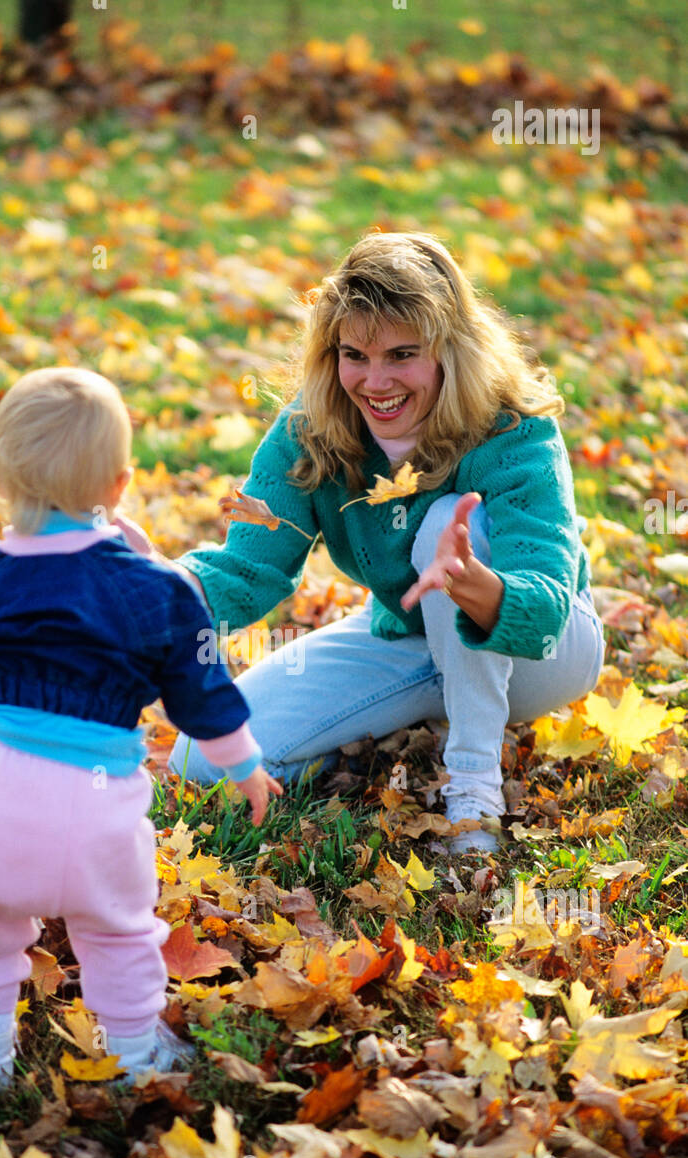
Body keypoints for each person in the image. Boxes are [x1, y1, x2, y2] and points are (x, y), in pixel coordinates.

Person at [0, 367, 282, 1084]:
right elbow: (200, 688)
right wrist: (244, 765)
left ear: (0, 480)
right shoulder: (155, 589)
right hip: (95, 807)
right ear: (120, 486)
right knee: (119, 931)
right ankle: (133, 1052)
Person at [162, 231, 605, 853]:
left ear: (451, 351)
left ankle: (473, 790)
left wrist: (474, 583)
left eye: (402, 355)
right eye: (354, 355)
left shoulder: (513, 430)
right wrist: (150, 588)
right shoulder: (309, 432)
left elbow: (547, 600)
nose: (375, 382)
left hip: (542, 652)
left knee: (448, 521)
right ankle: (405, 720)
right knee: (200, 759)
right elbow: (248, 569)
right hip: (411, 636)